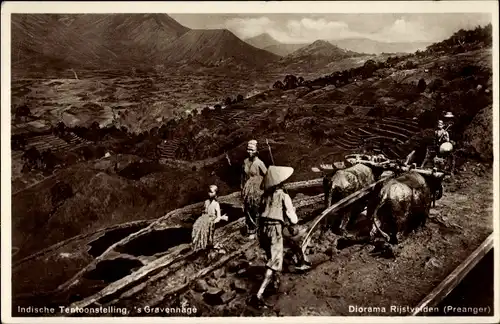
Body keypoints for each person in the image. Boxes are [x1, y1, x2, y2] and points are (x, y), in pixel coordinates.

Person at [253, 166, 309, 307]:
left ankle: (277, 279)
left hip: (264, 229)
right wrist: (293, 214)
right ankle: (259, 294)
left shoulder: (264, 196)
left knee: (271, 253)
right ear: (280, 182)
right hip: (276, 229)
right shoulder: (284, 196)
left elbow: (260, 213)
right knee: (275, 260)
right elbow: (293, 219)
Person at [241, 140, 267, 239]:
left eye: (252, 150)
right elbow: (243, 177)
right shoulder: (245, 162)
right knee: (248, 209)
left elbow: (266, 175)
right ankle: (251, 229)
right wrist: (243, 189)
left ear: (256, 151)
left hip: (258, 189)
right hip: (248, 189)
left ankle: (259, 230)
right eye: (248, 149)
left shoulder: (259, 163)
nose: (249, 152)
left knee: (257, 209)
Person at [191, 185, 228, 251]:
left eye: (211, 192)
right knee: (196, 226)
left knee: (207, 229)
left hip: (211, 218)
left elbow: (218, 215)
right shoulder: (206, 202)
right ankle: (198, 244)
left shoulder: (216, 204)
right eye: (209, 192)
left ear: (215, 193)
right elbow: (204, 211)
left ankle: (206, 244)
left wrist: (216, 219)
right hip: (204, 218)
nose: (209, 193)